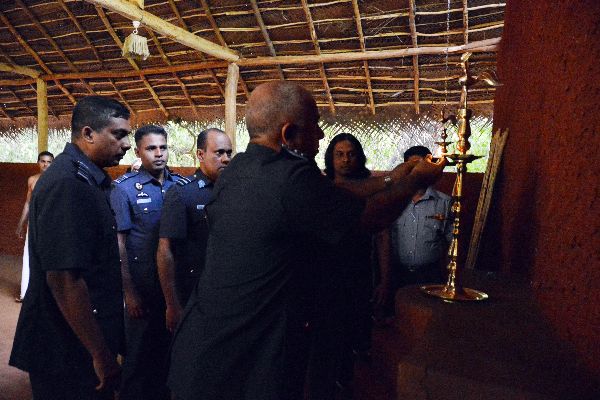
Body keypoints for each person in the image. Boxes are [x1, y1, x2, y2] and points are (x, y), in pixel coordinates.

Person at [168, 81, 445, 400]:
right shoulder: (291, 179)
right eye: (314, 125)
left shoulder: (239, 169)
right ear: (288, 134)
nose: (321, 135)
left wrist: (392, 178)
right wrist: (416, 181)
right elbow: (370, 219)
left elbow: (332, 193)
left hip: (202, 345)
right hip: (243, 356)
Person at [9, 95, 131, 400]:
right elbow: (64, 280)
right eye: (118, 134)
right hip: (64, 347)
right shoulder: (68, 184)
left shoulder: (87, 178)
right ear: (88, 133)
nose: (127, 144)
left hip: (76, 340)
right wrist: (100, 354)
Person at [110, 124, 182, 400]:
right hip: (142, 287)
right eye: (151, 148)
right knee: (138, 357)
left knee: (170, 355)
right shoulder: (124, 189)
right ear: (138, 152)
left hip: (174, 288)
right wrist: (129, 293)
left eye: (163, 147)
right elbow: (119, 245)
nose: (159, 153)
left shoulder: (180, 186)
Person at [308, 133, 374, 398]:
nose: (345, 159)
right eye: (339, 154)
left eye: (350, 154)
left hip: (357, 268)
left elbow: (380, 235)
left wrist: (383, 277)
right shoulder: (320, 187)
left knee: (352, 329)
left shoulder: (371, 188)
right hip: (325, 271)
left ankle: (345, 383)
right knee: (325, 333)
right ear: (331, 157)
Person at [157, 128, 232, 332]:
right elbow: (165, 250)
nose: (226, 159)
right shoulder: (183, 193)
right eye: (219, 153)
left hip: (227, 289)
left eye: (229, 153)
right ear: (200, 154)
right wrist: (172, 304)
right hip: (193, 291)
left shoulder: (234, 191)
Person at [374, 145, 452, 317]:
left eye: (421, 165)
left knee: (428, 319)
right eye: (412, 166)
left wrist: (448, 279)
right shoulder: (392, 201)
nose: (417, 171)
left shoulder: (445, 203)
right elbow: (382, 238)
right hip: (396, 275)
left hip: (430, 277)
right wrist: (384, 280)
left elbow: (451, 244)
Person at [14, 151, 54, 303]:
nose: (45, 165)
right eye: (43, 161)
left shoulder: (57, 180)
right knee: (29, 255)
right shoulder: (32, 180)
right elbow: (27, 203)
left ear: (53, 164)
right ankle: (25, 293)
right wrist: (20, 224)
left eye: (49, 162)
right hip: (34, 224)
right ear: (38, 162)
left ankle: (48, 296)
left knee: (49, 257)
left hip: (50, 224)